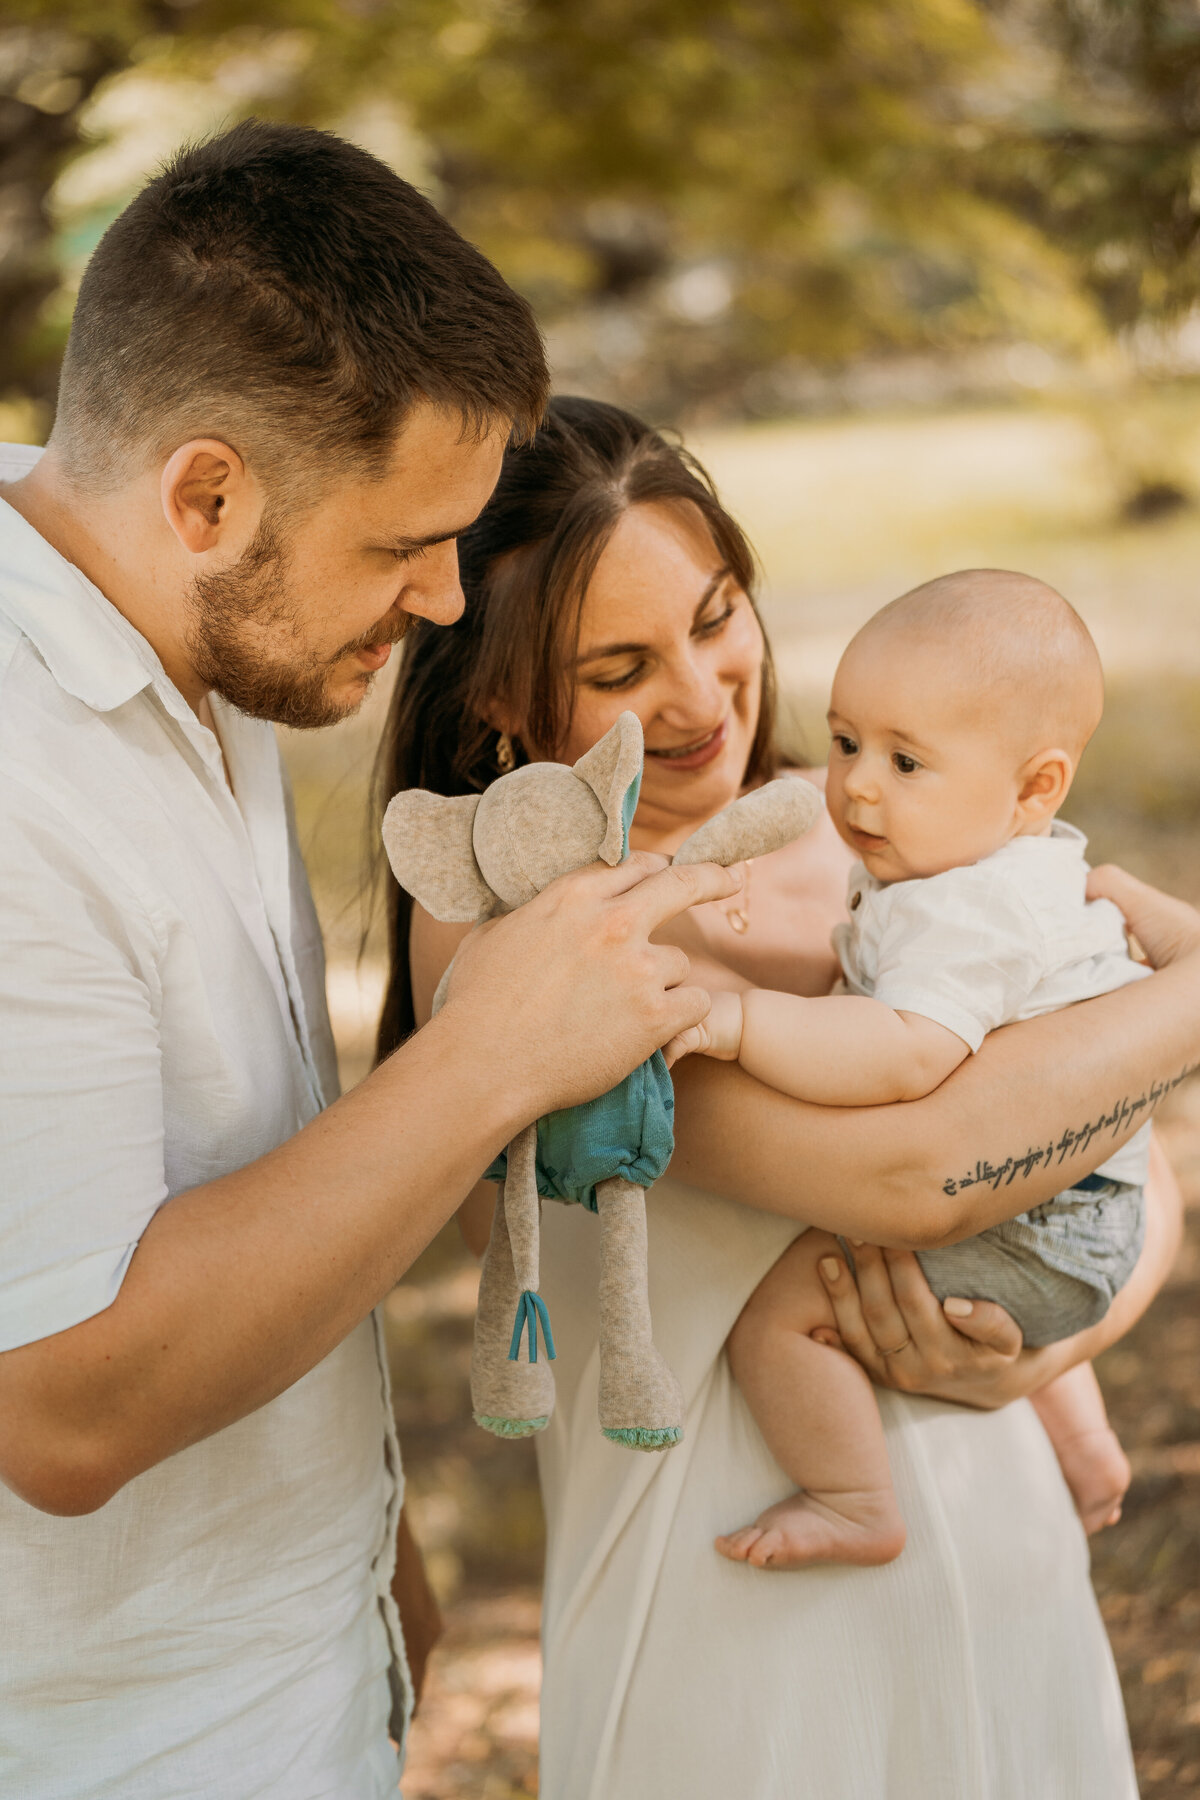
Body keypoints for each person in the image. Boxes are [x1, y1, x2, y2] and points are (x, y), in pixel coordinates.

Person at [0, 128, 742, 1800]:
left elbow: (245, 1157)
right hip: (123, 1746)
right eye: (404, 545)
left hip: (305, 1663)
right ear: (205, 493)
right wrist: (491, 1057)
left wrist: (371, 1554)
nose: (437, 599)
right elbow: (60, 1409)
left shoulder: (170, 617)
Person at [382, 395, 1198, 1800]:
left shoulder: (892, 822)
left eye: (717, 618)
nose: (703, 699)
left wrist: (1059, 1344)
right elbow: (918, 1171)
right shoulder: (511, 937)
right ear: (500, 699)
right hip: (724, 1617)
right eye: (620, 666)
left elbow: (1134, 1147)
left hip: (1000, 1554)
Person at [668, 569, 1148, 1572]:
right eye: (845, 743)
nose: (859, 785)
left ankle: (853, 1502)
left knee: (779, 1322)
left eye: (906, 761)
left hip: (1046, 1219)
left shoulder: (961, 910)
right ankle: (1088, 1439)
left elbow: (901, 1055)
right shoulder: (983, 866)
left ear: (1034, 788)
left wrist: (741, 1021)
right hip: (1082, 1200)